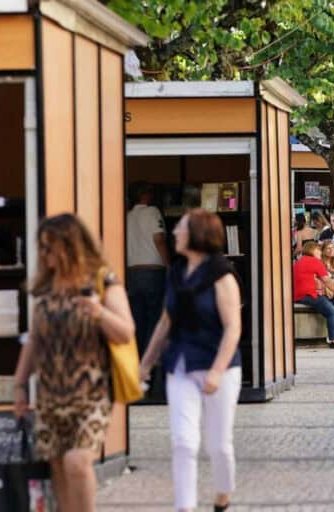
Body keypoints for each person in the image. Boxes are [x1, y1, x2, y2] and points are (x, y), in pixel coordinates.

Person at [13, 214, 136, 512]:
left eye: (49, 247)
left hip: (91, 392)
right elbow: (34, 341)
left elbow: (126, 332)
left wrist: (99, 312)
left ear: (69, 246)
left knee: (77, 461)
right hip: (50, 392)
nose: (44, 255)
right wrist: (19, 386)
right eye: (41, 248)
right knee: (58, 467)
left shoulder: (102, 280)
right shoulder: (45, 287)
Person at [139, 209, 243, 512]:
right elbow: (164, 323)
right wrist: (145, 364)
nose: (174, 233)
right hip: (181, 365)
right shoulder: (175, 272)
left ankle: (223, 494)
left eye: (181, 228)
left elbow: (233, 327)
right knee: (183, 442)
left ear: (197, 233)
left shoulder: (222, 275)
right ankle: (185, 507)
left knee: (218, 444)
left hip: (218, 366)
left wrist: (217, 371)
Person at [126, 182, 169, 358]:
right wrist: (169, 264)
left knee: (137, 319)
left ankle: (136, 358)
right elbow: (158, 239)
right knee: (154, 319)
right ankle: (150, 361)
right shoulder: (153, 212)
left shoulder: (126, 216)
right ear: (145, 195)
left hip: (132, 272)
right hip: (152, 272)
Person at [292, 241, 334, 348]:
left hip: (298, 295)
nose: (320, 252)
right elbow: (327, 281)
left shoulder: (299, 261)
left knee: (329, 304)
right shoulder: (315, 262)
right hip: (309, 295)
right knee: (332, 311)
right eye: (318, 249)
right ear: (312, 250)